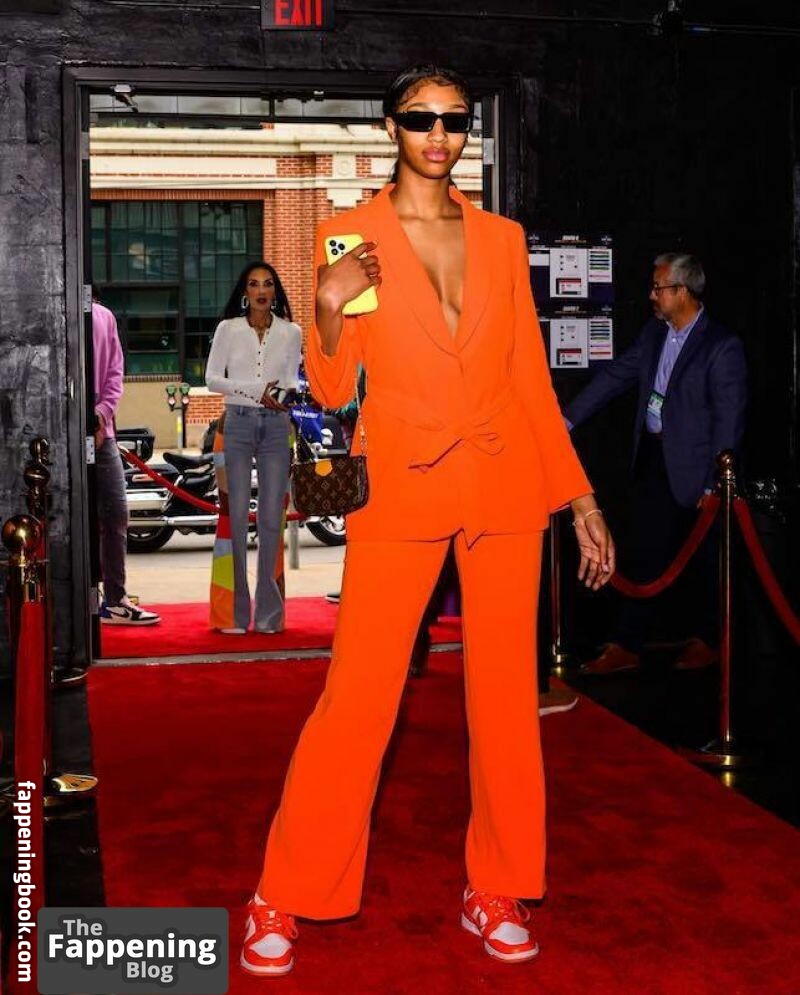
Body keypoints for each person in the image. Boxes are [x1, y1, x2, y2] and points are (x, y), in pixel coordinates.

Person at [241, 65, 614, 978]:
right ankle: (284, 890)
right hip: (401, 485)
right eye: (421, 118)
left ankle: (499, 885)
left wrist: (580, 498)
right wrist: (327, 305)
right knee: (359, 696)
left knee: (506, 701)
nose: (439, 134)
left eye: (454, 119)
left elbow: (529, 379)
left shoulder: (501, 239)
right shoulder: (350, 236)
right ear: (391, 127)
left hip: (503, 482)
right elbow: (334, 388)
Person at [565, 253, 747, 674]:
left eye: (658, 287)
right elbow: (615, 376)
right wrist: (567, 419)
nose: (651, 295)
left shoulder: (721, 345)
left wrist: (714, 484)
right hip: (653, 457)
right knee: (645, 550)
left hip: (698, 471)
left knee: (703, 559)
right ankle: (627, 643)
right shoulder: (654, 333)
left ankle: (708, 640)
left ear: (682, 292)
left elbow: (729, 417)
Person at [205, 262, 302, 635]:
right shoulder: (227, 329)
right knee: (234, 518)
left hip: (277, 427)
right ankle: (233, 614)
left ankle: (269, 616)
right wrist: (254, 391)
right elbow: (212, 379)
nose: (261, 290)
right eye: (253, 284)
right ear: (245, 292)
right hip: (238, 424)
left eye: (267, 284)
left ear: (275, 291)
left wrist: (285, 393)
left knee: (272, 520)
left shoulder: (291, 332)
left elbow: (291, 379)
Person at [93, 298, 161, 626]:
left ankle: (114, 599)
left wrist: (101, 414)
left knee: (116, 514)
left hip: (101, 432)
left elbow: (114, 373)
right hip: (60, 433)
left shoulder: (104, 316)